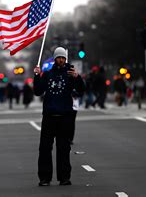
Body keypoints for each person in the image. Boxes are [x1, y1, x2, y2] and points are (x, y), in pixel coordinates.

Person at [33, 47, 86, 187]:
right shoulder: (48, 74)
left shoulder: (70, 74)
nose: (61, 60)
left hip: (65, 117)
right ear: (55, 59)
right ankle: (44, 178)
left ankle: (64, 178)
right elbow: (38, 91)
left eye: (63, 58)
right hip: (49, 116)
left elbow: (81, 90)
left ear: (65, 59)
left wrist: (77, 77)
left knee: (63, 149)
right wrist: (37, 76)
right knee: (44, 149)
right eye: (58, 57)